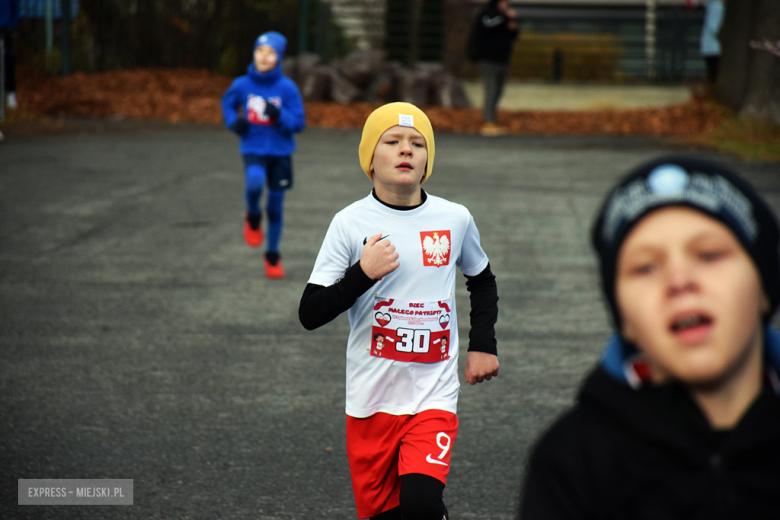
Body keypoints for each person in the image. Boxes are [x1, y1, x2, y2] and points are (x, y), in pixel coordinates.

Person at [519, 156, 780, 519]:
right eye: (645, 267)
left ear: (765, 289)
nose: (679, 280)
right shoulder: (574, 462)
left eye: (709, 254)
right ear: (624, 319)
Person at [299, 102, 500, 520]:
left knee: (421, 504)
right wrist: (362, 274)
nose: (406, 150)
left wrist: (483, 345)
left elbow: (481, 279)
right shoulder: (349, 223)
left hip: (433, 395)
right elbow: (310, 312)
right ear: (370, 159)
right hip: (371, 400)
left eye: (417, 143)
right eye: (392, 142)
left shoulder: (454, 218)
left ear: (428, 160)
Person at [221, 31, 305, 278]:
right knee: (255, 182)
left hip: (280, 152)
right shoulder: (241, 85)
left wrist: (277, 114)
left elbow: (299, 123)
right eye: (260, 51)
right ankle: (253, 215)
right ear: (254, 52)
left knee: (276, 207)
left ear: (278, 58)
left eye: (271, 53)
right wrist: (233, 122)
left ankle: (272, 255)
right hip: (253, 147)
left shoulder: (287, 88)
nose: (264, 57)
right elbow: (227, 104)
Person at [467, 0, 518, 136]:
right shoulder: (488, 14)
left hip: (503, 60)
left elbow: (511, 36)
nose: (506, 5)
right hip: (488, 59)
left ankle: (492, 119)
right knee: (491, 89)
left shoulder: (504, 17)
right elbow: (489, 25)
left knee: (499, 90)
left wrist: (513, 25)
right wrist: (506, 17)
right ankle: (488, 122)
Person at [0, 0, 19, 111]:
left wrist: (13, 26)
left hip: (6, 30)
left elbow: (15, 8)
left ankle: (10, 94)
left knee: (8, 63)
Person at [700, 0, 724, 85]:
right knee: (714, 74)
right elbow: (713, 27)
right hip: (713, 46)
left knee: (712, 73)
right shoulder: (716, 5)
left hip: (708, 46)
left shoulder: (711, 4)